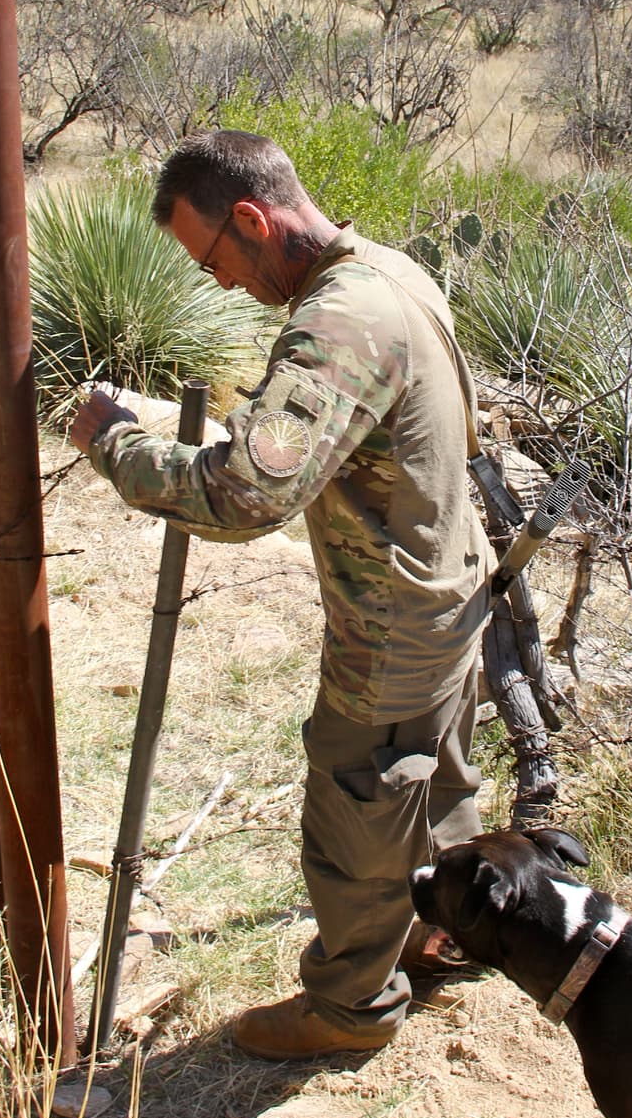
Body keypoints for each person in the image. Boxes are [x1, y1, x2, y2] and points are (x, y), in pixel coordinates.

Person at [69, 130, 489, 1057]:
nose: (219, 283)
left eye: (214, 257)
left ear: (253, 219)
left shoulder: (338, 320)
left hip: (392, 623)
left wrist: (113, 441)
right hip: (451, 586)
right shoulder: (390, 272)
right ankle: (449, 930)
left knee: (359, 805)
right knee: (435, 777)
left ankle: (350, 1010)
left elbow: (246, 494)